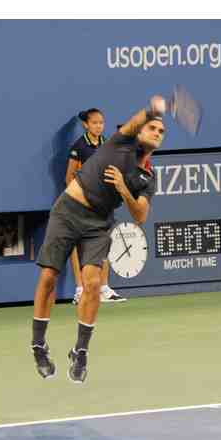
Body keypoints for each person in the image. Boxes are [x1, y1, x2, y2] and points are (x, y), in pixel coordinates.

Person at [31, 95, 166, 383]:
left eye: (161, 131)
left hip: (99, 224)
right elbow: (137, 119)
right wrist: (153, 109)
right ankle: (38, 345)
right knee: (48, 277)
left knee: (93, 284)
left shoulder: (148, 177)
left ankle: (80, 351)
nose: (157, 132)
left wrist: (123, 188)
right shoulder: (120, 141)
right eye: (153, 127)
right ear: (140, 130)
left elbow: (140, 215)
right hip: (68, 211)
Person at [66, 108, 126, 305]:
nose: (99, 126)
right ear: (86, 125)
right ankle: (80, 289)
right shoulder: (79, 147)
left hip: (102, 203)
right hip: (81, 203)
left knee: (103, 242)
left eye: (101, 122)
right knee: (78, 244)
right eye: (95, 123)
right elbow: (69, 177)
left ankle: (103, 288)